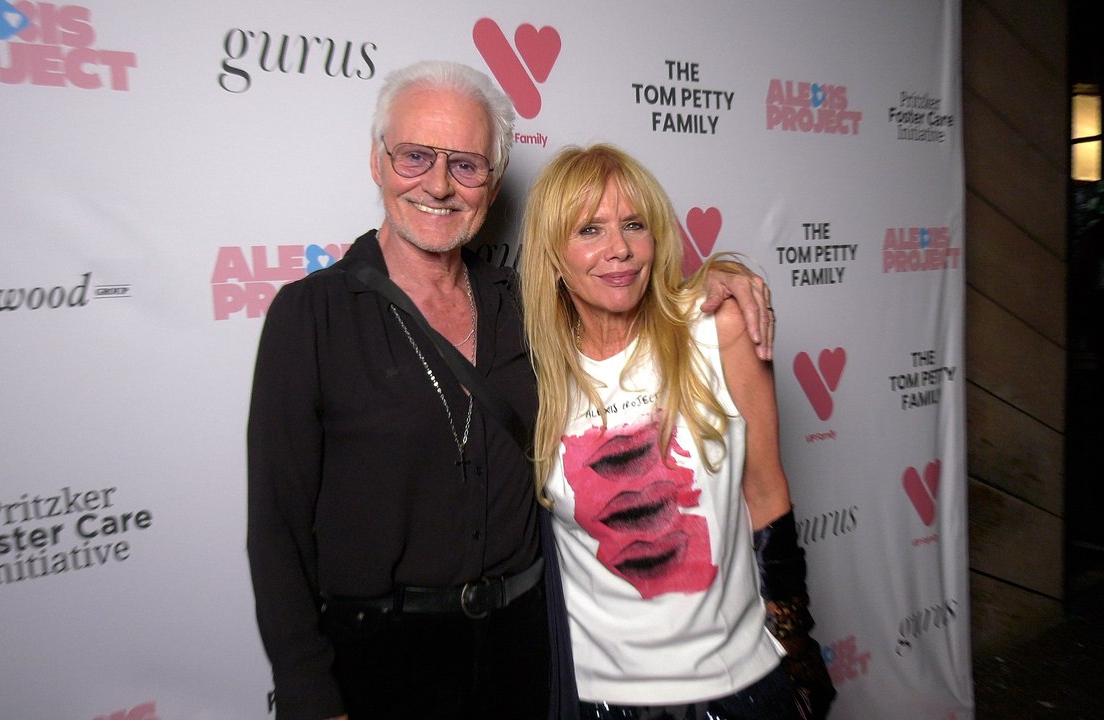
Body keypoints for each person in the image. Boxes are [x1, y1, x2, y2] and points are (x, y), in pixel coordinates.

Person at [246, 61, 775, 720]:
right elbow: (276, 532)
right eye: (415, 157)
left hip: (526, 650)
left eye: (466, 164)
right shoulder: (309, 316)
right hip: (381, 662)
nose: (439, 185)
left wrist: (726, 274)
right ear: (377, 163)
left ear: (493, 185)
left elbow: (634, 304)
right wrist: (309, 696)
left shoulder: (525, 305)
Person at [519, 144, 835, 720]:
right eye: (589, 229)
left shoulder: (719, 330)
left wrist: (798, 649)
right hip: (598, 697)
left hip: (738, 683)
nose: (619, 249)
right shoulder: (531, 374)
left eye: (634, 225)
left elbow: (767, 498)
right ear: (552, 256)